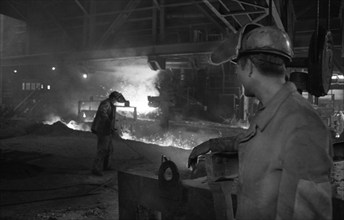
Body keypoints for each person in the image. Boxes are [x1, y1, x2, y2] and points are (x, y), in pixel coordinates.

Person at [188, 24, 333, 220]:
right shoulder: (272, 112)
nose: (236, 74)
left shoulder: (302, 125)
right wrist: (211, 145)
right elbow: (258, 141)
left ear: (248, 68)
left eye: (237, 66)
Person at [91, 91, 129, 176]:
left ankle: (105, 166)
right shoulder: (106, 103)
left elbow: (121, 101)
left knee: (109, 149)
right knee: (102, 150)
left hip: (107, 129)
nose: (117, 101)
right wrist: (108, 121)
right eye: (116, 99)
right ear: (113, 98)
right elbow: (102, 112)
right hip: (102, 129)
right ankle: (96, 169)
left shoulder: (111, 104)